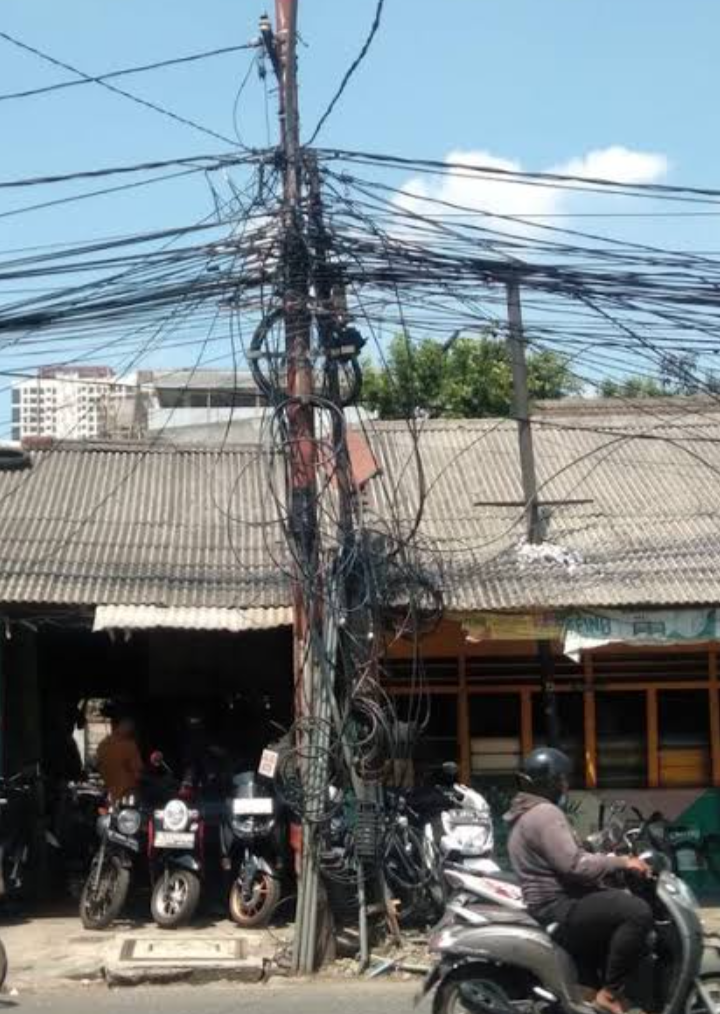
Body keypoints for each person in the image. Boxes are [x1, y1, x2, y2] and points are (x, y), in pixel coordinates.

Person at [506, 747, 652, 1014]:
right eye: (562, 779)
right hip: (560, 904)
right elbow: (574, 865)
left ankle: (587, 989)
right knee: (637, 912)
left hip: (549, 905)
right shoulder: (544, 813)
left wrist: (602, 857)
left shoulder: (525, 814)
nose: (566, 786)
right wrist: (621, 862)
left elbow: (567, 856)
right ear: (550, 782)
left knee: (609, 910)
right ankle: (610, 994)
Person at [96, 715, 143, 802]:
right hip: (127, 794)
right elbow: (137, 771)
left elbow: (100, 768)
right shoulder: (129, 746)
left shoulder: (103, 744)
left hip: (111, 793)